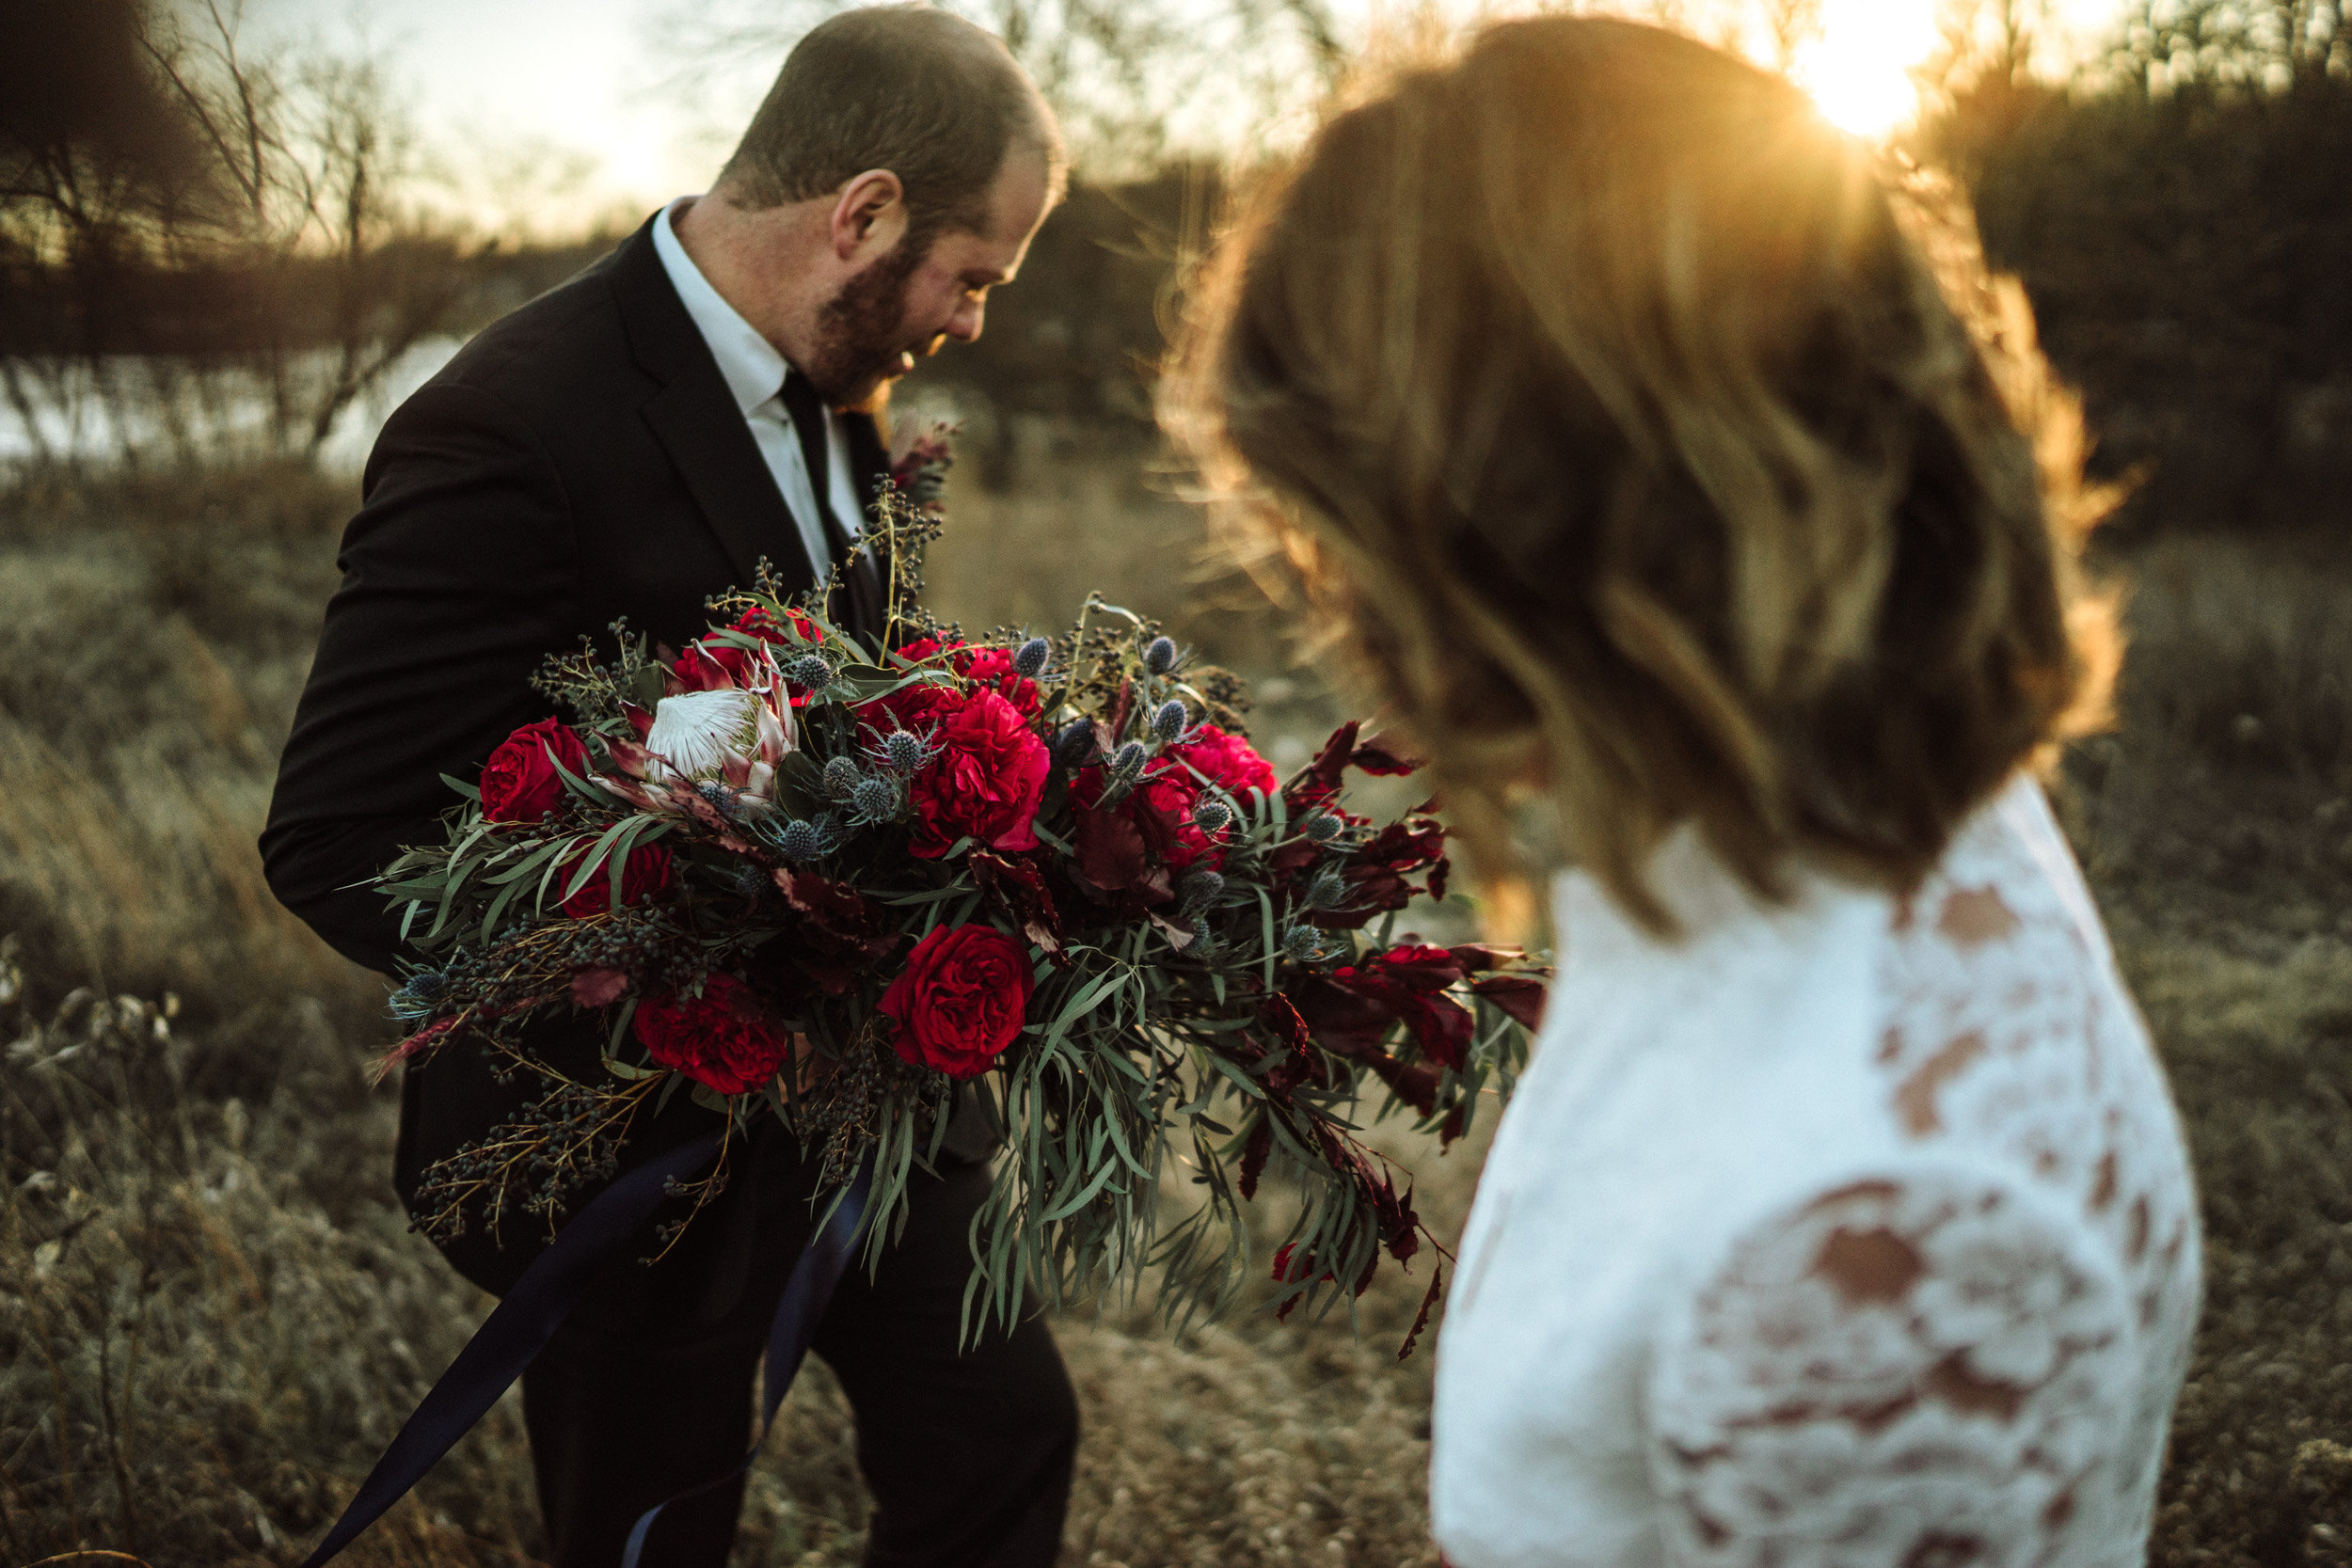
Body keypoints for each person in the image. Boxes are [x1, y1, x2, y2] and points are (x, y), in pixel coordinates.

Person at [1171, 16, 2201, 1566]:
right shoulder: (1827, 827)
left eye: (1356, 547)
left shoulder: (1867, 1233)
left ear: (1542, 540)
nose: (1357, 631)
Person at [261, 9, 1079, 1565]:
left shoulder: (848, 383)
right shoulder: (508, 420)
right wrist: (647, 955)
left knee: (1003, 1442)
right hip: (632, 1148)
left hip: (874, 1100)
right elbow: (334, 836)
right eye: (972, 275)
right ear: (865, 214)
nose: (971, 321)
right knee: (653, 1533)